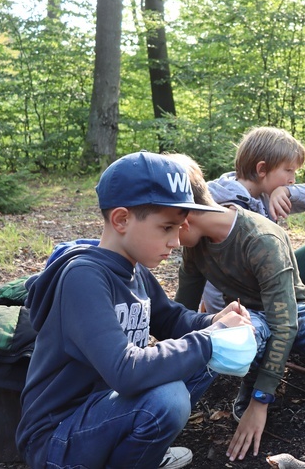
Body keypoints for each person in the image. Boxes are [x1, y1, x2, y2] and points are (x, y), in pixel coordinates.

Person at [15, 151, 254, 469]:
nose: (177, 242)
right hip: (57, 439)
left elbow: (171, 318)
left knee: (202, 356)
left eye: (180, 228)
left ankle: (140, 453)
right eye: (167, 227)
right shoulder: (82, 278)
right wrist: (210, 339)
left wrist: (214, 320)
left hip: (103, 414)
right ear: (121, 220)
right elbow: (126, 372)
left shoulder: (135, 270)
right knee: (168, 398)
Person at [170, 153, 305, 462]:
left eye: (169, 228)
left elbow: (285, 321)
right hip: (250, 316)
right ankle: (250, 376)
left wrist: (261, 401)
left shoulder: (259, 238)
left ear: (186, 217)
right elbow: (180, 312)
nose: (169, 240)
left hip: (295, 309)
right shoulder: (194, 246)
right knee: (242, 332)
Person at [198, 126, 305, 312]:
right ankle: (304, 318)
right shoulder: (227, 208)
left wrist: (286, 191)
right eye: (289, 170)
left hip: (266, 278)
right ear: (262, 169)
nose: (292, 179)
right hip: (242, 301)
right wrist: (219, 318)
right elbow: (215, 279)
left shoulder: (266, 196)